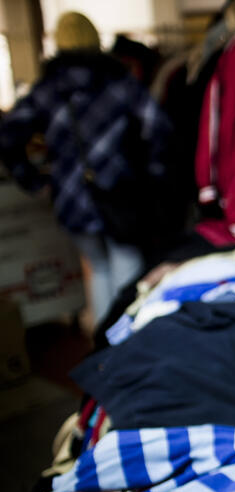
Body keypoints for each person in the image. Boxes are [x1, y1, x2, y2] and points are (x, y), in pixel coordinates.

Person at [0, 12, 173, 328]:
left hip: (71, 199)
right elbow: (158, 127)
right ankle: (126, 339)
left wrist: (32, 180)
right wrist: (154, 173)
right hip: (120, 192)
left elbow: (8, 136)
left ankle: (104, 340)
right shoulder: (119, 83)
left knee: (98, 269)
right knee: (127, 267)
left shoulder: (48, 89)